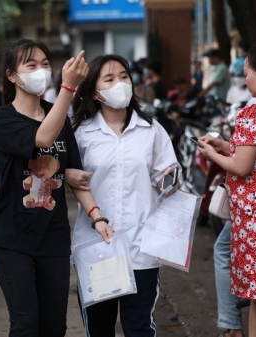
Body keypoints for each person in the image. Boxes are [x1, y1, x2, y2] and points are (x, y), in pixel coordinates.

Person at [0, 39, 97, 336]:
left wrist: (97, 216)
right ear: (11, 75)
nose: (41, 70)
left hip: (54, 236)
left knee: (54, 327)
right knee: (25, 324)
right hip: (12, 237)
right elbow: (43, 138)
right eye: (30, 65)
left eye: (45, 64)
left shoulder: (60, 116)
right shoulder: (3, 118)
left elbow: (74, 170)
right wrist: (68, 89)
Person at [70, 54, 180, 336]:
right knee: (99, 328)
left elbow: (166, 176)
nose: (119, 83)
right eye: (109, 78)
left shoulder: (151, 129)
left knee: (139, 327)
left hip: (142, 246)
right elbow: (72, 180)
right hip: (97, 247)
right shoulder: (82, 133)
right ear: (95, 92)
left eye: (124, 76)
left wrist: (171, 179)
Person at [198, 41, 256, 337]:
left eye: (247, 72)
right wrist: (225, 146)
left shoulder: (255, 113)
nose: (244, 79)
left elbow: (242, 166)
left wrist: (212, 155)